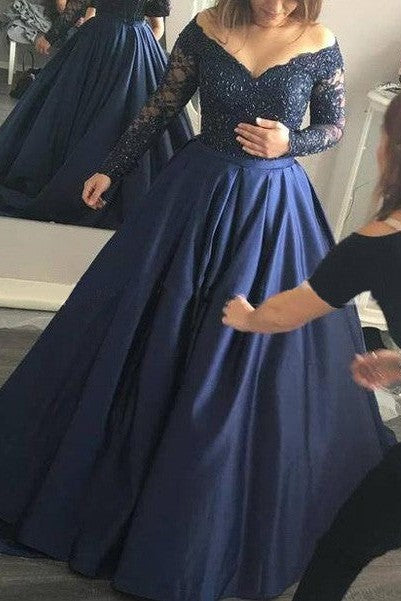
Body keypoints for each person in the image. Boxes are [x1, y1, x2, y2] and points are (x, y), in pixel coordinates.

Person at [0, 1, 394, 599]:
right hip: (194, 195)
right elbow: (160, 106)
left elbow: (334, 125)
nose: (276, 4)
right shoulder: (207, 28)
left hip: (271, 210)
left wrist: (291, 140)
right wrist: (111, 168)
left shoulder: (320, 41)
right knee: (146, 326)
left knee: (241, 351)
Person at [222, 92, 401, 601]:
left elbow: (289, 311)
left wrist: (248, 316)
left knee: (341, 550)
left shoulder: (377, 244)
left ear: (389, 152)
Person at [0, 0, 192, 229]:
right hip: (129, 42)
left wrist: (51, 36)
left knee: (87, 110)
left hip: (107, 40)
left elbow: (76, 6)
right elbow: (156, 25)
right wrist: (142, 44)